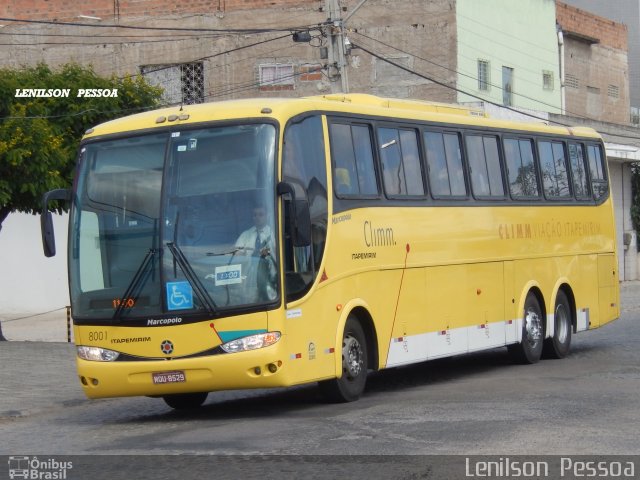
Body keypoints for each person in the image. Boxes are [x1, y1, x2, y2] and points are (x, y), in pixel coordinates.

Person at [234, 204, 277, 302]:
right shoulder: (246, 235)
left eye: (261, 214)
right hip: (250, 281)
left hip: (270, 280)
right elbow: (236, 256)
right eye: (255, 215)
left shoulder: (274, 233)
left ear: (267, 216)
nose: (257, 217)